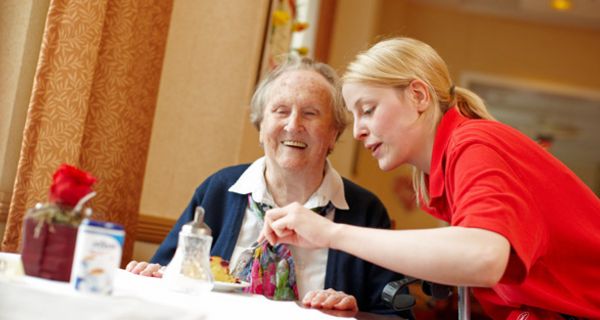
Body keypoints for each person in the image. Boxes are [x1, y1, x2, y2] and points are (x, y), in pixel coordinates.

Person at [261, 37, 600, 320]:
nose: (360, 130)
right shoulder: (442, 174)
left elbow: (483, 257)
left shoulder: (475, 144)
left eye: (368, 109)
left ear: (418, 96)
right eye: (354, 116)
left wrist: (329, 233)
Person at [126, 56, 412, 317]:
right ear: (261, 125)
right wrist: (151, 277)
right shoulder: (218, 190)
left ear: (333, 134)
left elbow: (395, 316)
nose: (293, 125)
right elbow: (168, 277)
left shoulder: (366, 212)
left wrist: (353, 312)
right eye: (280, 110)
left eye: (311, 113)